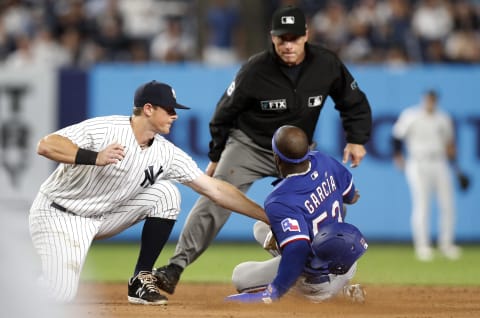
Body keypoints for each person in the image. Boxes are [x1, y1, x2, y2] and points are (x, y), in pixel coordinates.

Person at [153, 5, 372, 294]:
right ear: (273, 37)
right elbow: (223, 114)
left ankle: (325, 273)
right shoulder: (256, 70)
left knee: (326, 199)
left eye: (294, 37)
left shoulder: (326, 64)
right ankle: (175, 267)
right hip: (251, 146)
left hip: (298, 151)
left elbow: (352, 100)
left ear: (307, 35)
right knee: (215, 196)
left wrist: (356, 138)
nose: (289, 44)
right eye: (283, 38)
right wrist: (217, 155)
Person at [28, 80, 268, 305]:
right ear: (149, 109)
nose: (175, 115)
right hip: (59, 215)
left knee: (166, 194)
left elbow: (215, 189)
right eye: (169, 109)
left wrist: (266, 216)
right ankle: (15, 291)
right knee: (59, 293)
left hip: (102, 217)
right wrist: (95, 157)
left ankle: (141, 280)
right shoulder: (106, 129)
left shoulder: (166, 153)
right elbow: (46, 145)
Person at [224, 125, 368, 303]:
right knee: (261, 227)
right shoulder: (323, 160)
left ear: (277, 158)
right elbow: (351, 196)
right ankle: (342, 288)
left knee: (240, 275)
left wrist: (274, 292)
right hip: (345, 264)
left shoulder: (279, 200)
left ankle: (325, 296)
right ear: (307, 150)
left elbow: (297, 250)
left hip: (316, 282)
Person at [392, 89, 461, 261]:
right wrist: (398, 156)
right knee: (422, 204)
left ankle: (447, 244)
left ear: (436, 100)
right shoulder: (411, 115)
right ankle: (422, 246)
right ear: (424, 99)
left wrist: (457, 168)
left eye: (433, 99)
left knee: (448, 204)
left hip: (440, 161)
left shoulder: (443, 118)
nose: (430, 101)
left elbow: (450, 145)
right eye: (428, 99)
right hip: (418, 162)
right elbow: (396, 137)